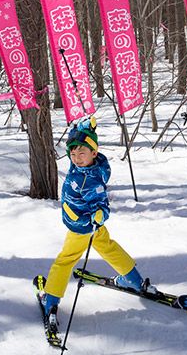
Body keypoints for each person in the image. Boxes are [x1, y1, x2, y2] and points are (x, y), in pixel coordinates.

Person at [38, 117, 153, 325]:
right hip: (91, 227)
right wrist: (82, 131)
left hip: (81, 227)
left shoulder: (89, 179)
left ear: (93, 152)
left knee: (66, 259)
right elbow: (83, 156)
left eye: (81, 153)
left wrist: (99, 214)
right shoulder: (91, 166)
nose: (76, 158)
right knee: (108, 247)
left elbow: (101, 203)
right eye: (72, 154)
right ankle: (133, 279)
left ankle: (51, 298)